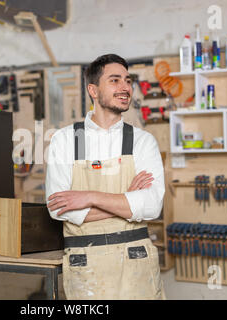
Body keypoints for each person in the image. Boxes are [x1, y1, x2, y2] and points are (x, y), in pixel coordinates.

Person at [45, 54, 166, 300]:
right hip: (86, 264)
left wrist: (89, 197)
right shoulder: (65, 140)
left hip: (136, 261)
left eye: (127, 80)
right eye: (114, 80)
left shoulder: (143, 141)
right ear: (93, 90)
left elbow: (152, 206)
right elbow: (58, 209)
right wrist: (128, 201)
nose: (124, 87)